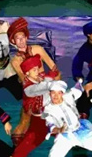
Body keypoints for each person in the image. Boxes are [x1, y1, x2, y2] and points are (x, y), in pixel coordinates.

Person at [7, 17, 60, 147]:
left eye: (23, 37)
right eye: (17, 38)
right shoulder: (15, 61)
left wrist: (57, 87)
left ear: (26, 38)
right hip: (32, 91)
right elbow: (24, 80)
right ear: (13, 41)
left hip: (47, 86)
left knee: (58, 113)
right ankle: (16, 149)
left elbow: (53, 68)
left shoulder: (38, 49)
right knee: (25, 120)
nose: (21, 40)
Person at [10, 55, 58, 157]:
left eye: (38, 69)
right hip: (40, 121)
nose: (38, 72)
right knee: (28, 144)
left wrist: (50, 77)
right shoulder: (28, 88)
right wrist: (50, 78)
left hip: (53, 116)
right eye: (34, 70)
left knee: (75, 129)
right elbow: (43, 87)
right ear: (27, 73)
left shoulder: (40, 79)